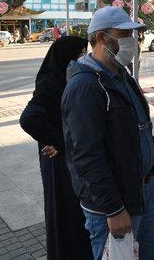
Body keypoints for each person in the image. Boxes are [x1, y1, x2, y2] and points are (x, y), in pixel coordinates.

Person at [61, 7, 154, 260]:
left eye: (133, 35)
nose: (131, 41)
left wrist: (153, 158)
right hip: (115, 202)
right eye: (123, 34)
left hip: (143, 189)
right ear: (100, 38)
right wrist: (113, 208)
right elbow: (86, 156)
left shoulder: (122, 76)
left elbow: (139, 126)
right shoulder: (84, 86)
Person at [20, 36, 92, 260]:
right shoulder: (52, 82)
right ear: (65, 55)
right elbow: (29, 119)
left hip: (66, 153)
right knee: (65, 213)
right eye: (79, 53)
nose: (83, 58)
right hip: (59, 160)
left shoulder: (67, 77)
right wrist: (62, 141)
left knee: (76, 214)